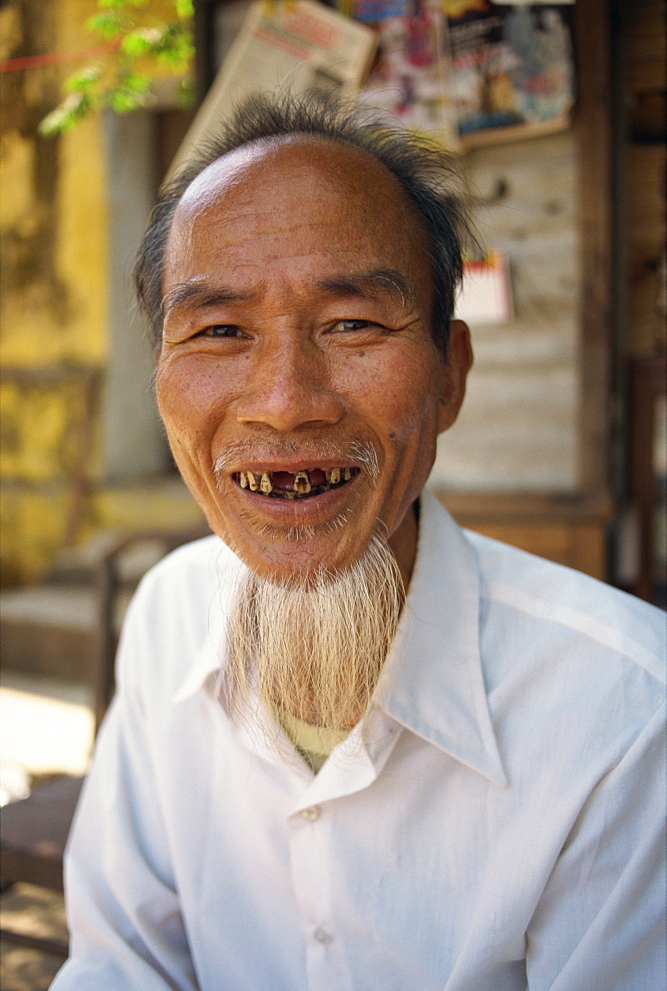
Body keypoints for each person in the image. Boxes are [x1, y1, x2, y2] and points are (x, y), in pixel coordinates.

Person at [52, 92, 665, 991]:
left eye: (352, 324)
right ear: (158, 384)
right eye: (219, 331)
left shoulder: (624, 712)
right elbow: (122, 962)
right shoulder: (169, 612)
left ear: (449, 377)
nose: (285, 400)